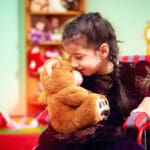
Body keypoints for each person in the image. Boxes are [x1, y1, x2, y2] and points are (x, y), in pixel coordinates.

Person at [35, 12, 150, 150]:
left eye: (79, 57)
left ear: (103, 51)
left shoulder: (133, 71)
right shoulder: (76, 76)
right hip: (77, 136)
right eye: (70, 57)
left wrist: (147, 102)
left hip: (110, 138)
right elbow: (60, 94)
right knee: (49, 140)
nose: (74, 63)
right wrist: (53, 68)